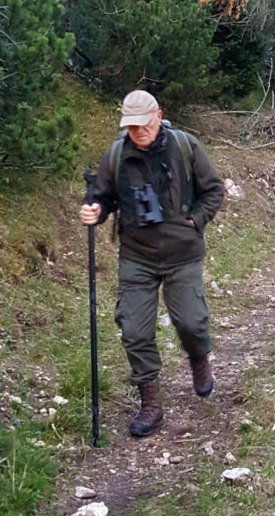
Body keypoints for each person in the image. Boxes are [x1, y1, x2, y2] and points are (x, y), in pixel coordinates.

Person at [79, 90, 224, 438]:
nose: (138, 132)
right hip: (136, 256)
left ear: (158, 116)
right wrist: (94, 211)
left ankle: (198, 358)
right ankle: (151, 404)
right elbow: (101, 197)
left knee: (191, 321)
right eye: (131, 127)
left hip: (182, 254)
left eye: (143, 125)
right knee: (134, 330)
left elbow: (214, 190)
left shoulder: (186, 146)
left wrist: (196, 220)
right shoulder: (116, 155)